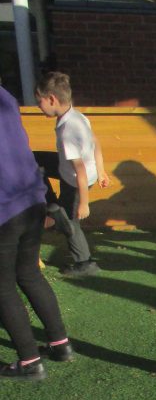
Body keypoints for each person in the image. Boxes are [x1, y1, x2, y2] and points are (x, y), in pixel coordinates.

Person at [0, 83, 74, 380]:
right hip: (32, 200)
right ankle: (60, 345)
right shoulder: (5, 96)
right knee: (29, 273)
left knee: (3, 287)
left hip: (5, 208)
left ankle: (30, 361)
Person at [34, 70, 109, 277]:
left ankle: (84, 263)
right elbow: (96, 142)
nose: (38, 107)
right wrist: (102, 170)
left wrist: (84, 203)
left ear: (52, 99)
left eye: (39, 102)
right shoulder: (77, 116)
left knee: (71, 221)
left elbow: (80, 170)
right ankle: (53, 207)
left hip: (76, 182)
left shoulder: (68, 131)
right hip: (74, 170)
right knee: (32, 159)